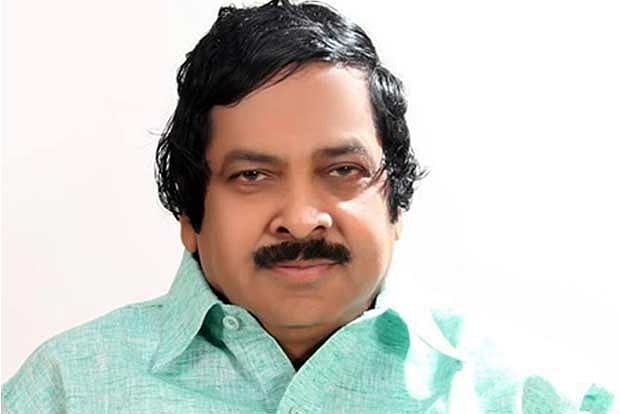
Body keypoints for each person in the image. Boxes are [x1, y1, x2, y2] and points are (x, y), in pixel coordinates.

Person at [1, 0, 615, 413]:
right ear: (190, 215)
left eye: (343, 171)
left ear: (396, 204)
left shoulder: (539, 400)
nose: (300, 218)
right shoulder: (63, 391)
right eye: (251, 175)